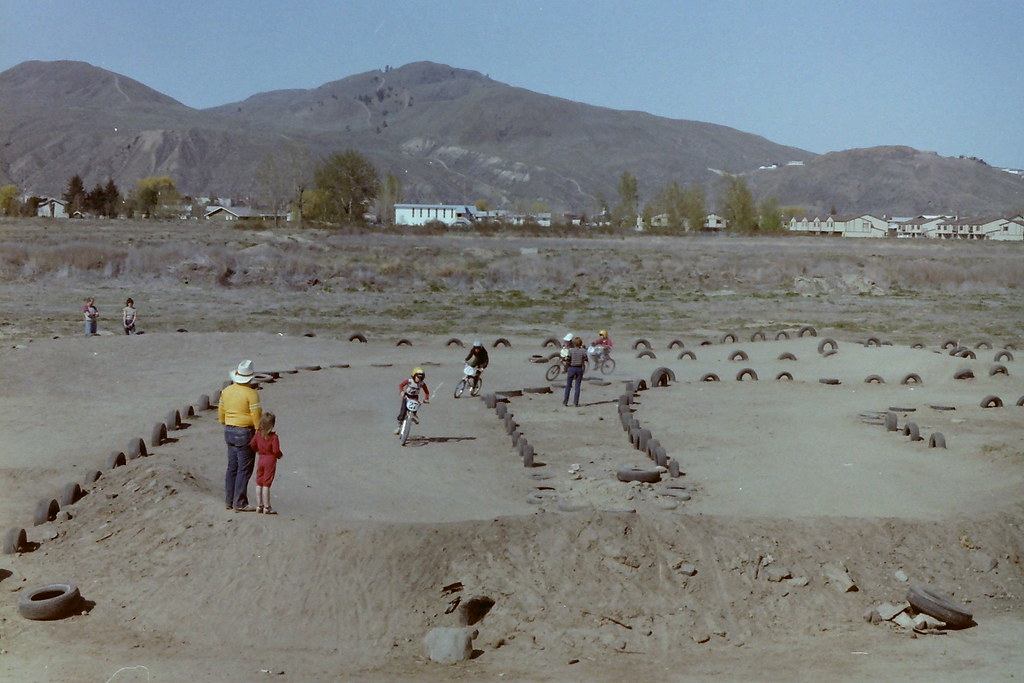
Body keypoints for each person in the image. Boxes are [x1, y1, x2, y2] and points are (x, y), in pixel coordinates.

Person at [218, 360, 262, 512]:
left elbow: (221, 412)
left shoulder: (226, 391)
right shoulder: (251, 394)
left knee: (232, 467)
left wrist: (225, 422)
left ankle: (229, 500)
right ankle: (240, 502)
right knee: (244, 468)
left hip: (229, 430)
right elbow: (256, 415)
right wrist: (259, 431)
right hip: (245, 431)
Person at [250, 412, 282, 515]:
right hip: (270, 460)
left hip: (261, 458)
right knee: (266, 483)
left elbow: (252, 444)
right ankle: (267, 507)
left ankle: (259, 505)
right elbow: (276, 450)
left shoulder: (258, 434)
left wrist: (258, 451)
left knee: (259, 482)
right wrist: (279, 455)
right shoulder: (274, 437)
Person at [395, 367, 430, 434]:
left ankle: (413, 415)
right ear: (414, 376)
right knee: (403, 412)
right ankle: (399, 427)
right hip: (407, 397)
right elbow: (401, 385)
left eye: (420, 378)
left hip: (414, 398)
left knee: (414, 408)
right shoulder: (409, 381)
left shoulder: (422, 384)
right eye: (417, 377)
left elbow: (426, 392)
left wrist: (426, 399)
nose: (418, 379)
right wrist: (402, 391)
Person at [562, 336, 588, 407]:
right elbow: (586, 359)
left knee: (568, 386)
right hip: (579, 369)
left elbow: (568, 360)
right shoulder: (583, 351)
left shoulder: (571, 350)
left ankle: (565, 402)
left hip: (571, 368)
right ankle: (575, 402)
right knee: (577, 386)